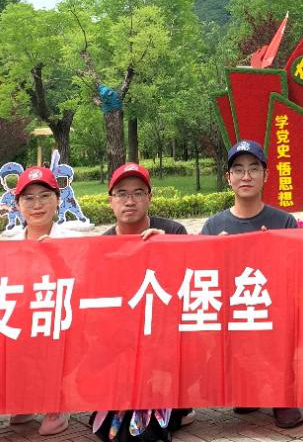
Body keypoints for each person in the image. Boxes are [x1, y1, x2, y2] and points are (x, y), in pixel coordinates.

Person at [200, 141, 303, 431]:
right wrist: (216, 255)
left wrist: (275, 252)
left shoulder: (284, 222)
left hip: (273, 311)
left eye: (254, 169)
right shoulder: (213, 227)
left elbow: (298, 275)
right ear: (228, 178)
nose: (246, 176)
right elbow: (202, 280)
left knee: (284, 318)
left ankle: (282, 394)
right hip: (234, 313)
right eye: (238, 170)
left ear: (265, 175)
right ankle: (247, 384)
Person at [93, 163, 193, 439]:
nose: (130, 201)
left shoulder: (173, 232)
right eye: (122, 193)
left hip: (165, 340)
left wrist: (169, 250)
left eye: (138, 193)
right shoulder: (102, 246)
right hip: (122, 346)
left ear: (150, 197)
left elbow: (191, 286)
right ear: (110, 200)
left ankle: (177, 404)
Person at [3, 167, 73, 433]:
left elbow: (83, 285)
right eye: (28, 198)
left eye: (45, 196)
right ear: (18, 204)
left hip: (62, 318)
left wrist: (56, 257)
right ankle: (28, 398)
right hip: (24, 318)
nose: (37, 205)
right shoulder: (9, 242)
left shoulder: (74, 239)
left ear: (58, 199)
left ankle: (57, 402)